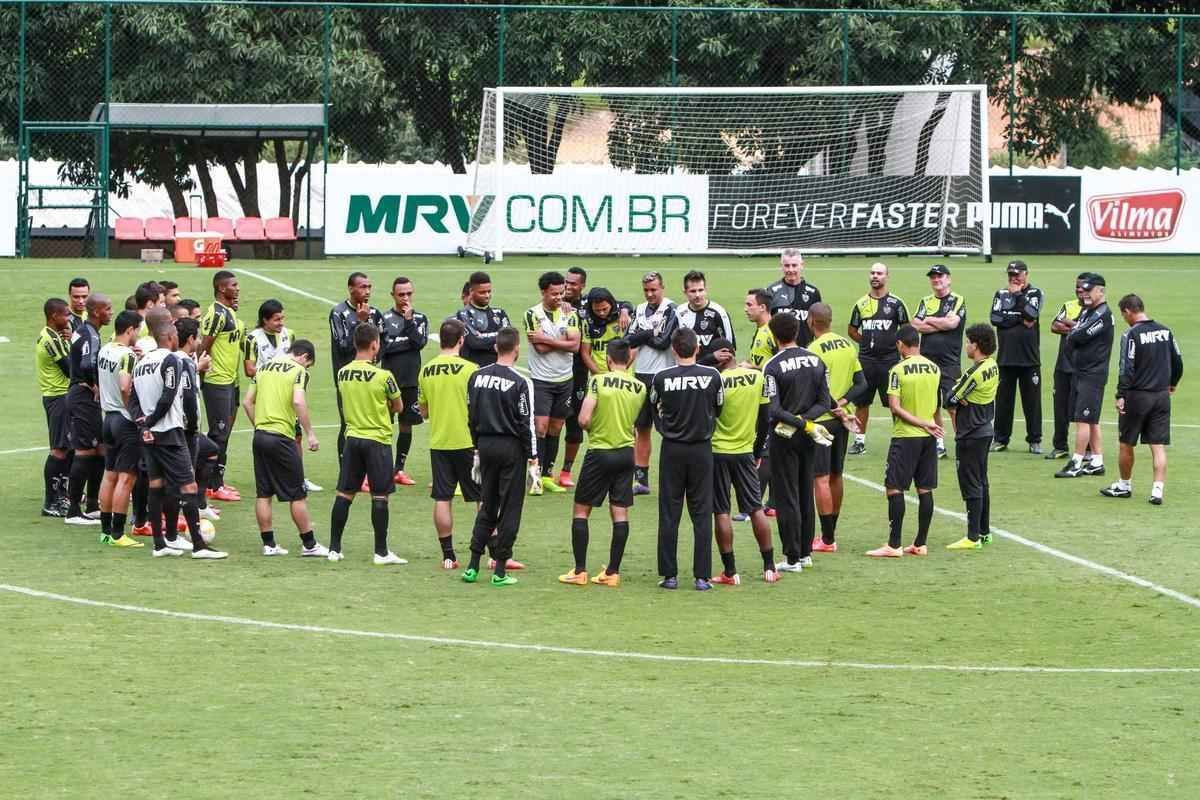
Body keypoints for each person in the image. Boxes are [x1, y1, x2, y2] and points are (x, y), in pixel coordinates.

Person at [132, 316, 227, 559]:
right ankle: (199, 546)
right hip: (170, 432)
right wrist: (153, 422)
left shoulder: (141, 363)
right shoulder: (171, 360)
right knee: (188, 485)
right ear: (170, 337)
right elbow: (169, 396)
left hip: (149, 435)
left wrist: (142, 424)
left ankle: (160, 544)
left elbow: (133, 398)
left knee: (156, 485)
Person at [559, 339, 646, 587]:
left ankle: (580, 571)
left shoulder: (598, 381)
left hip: (599, 452)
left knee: (581, 511)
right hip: (626, 454)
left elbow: (583, 419)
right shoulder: (639, 387)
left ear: (608, 359)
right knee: (620, 512)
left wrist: (595, 428)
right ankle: (612, 572)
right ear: (628, 359)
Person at [463, 327, 538, 587]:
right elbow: (526, 423)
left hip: (485, 445)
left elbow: (471, 415)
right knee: (510, 508)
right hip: (510, 448)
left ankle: (472, 565)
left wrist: (476, 447)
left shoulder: (476, 377)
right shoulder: (521, 382)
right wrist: (534, 457)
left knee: (487, 504)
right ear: (517, 349)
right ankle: (500, 570)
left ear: (496, 347)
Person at [650, 328, 723, 590]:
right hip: (702, 449)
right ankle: (702, 577)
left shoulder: (662, 377)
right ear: (697, 348)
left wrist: (664, 428)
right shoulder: (712, 375)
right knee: (702, 513)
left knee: (669, 512)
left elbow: (652, 406)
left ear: (673, 349)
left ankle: (669, 575)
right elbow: (719, 407)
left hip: (672, 449)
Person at [327, 324, 406, 565]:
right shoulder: (384, 376)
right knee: (380, 496)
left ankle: (334, 548)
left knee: (344, 494)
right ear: (374, 345)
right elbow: (398, 406)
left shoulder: (343, 373)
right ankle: (381, 552)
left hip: (352, 439)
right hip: (377, 441)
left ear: (354, 344)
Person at [242, 339, 329, 557]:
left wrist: (259, 425)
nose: (307, 368)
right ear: (305, 357)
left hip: (260, 436)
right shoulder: (298, 371)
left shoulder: (263, 368)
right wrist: (310, 434)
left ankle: (269, 545)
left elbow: (247, 402)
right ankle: (309, 545)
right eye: (308, 364)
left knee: (264, 493)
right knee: (297, 494)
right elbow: (298, 401)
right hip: (281, 438)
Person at [762, 313, 835, 572]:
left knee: (787, 496)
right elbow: (825, 403)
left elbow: (774, 409)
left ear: (774, 335)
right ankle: (805, 553)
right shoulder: (816, 360)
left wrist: (797, 423)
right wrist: (806, 422)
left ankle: (792, 558)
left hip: (784, 437)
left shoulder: (772, 365)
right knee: (805, 492)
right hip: (809, 435)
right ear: (797, 331)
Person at [707, 337, 779, 584]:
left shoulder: (715, 381)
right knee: (756, 508)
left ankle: (730, 572)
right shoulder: (757, 378)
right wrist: (757, 452)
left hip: (718, 452)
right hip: (745, 452)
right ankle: (769, 567)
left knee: (722, 511)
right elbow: (766, 418)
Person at [866, 324, 942, 558]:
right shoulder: (934, 368)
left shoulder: (897, 370)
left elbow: (895, 407)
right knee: (925, 489)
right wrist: (934, 426)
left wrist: (921, 423)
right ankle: (920, 543)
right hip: (929, 438)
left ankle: (894, 544)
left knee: (894, 488)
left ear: (900, 344)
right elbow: (937, 404)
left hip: (906, 437)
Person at [1101, 294, 1184, 505]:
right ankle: (1157, 491)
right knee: (1158, 445)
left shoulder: (1131, 334)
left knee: (1126, 443)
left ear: (1128, 311)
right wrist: (1173, 382)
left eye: (1123, 315)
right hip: (1161, 396)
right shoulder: (1165, 331)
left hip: (1137, 397)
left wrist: (1121, 395)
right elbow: (1178, 361)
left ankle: (1124, 485)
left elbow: (1126, 367)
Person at [418, 319, 482, 569]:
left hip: (440, 442)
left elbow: (423, 411)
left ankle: (448, 556)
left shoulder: (426, 370)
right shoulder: (472, 369)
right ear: (461, 340)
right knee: (483, 498)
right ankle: (492, 554)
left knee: (443, 497)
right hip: (468, 442)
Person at [807, 303, 865, 553]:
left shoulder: (813, 350)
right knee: (836, 474)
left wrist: (831, 406)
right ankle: (830, 532)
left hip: (821, 421)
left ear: (811, 321)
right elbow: (861, 383)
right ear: (830, 321)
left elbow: (815, 388)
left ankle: (828, 538)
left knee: (820, 477)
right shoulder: (847, 345)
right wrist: (841, 404)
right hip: (842, 420)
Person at [523, 271, 580, 495]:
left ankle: (547, 475)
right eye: (554, 293)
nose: (559, 297)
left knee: (556, 428)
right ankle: (534, 477)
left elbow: (575, 347)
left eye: (561, 293)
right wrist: (562, 341)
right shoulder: (532, 314)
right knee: (540, 428)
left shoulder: (570, 313)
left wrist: (547, 338)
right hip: (541, 380)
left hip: (565, 379)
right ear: (543, 292)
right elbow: (540, 349)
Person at [944, 324, 1000, 550]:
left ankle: (972, 537)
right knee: (982, 482)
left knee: (971, 484)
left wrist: (957, 394)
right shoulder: (992, 365)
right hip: (985, 430)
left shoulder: (973, 373)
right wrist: (959, 395)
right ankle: (984, 533)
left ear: (976, 346)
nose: (965, 345)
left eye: (968, 342)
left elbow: (949, 399)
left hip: (970, 433)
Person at [625, 271, 679, 495]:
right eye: (646, 290)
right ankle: (641, 480)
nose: (649, 294)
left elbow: (663, 342)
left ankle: (673, 478)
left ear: (662, 288)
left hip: (663, 377)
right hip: (641, 376)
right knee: (642, 428)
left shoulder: (671, 309)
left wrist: (643, 335)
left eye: (653, 290)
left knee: (668, 430)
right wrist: (649, 334)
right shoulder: (639, 309)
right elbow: (628, 339)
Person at [1055, 273, 1114, 479]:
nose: (1085, 294)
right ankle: (1097, 462)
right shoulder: (1089, 311)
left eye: (1089, 290)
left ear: (1101, 291)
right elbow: (1076, 333)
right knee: (1091, 420)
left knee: (1082, 419)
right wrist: (1075, 333)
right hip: (1082, 371)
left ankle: (1076, 462)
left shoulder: (1102, 314)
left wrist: (1073, 332)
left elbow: (1078, 335)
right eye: (1083, 290)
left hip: (1092, 374)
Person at [847, 262, 909, 455]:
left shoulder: (897, 304)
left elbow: (906, 330)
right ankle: (859, 442)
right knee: (862, 402)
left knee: (893, 403)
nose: (875, 276)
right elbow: (852, 330)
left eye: (879, 273)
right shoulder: (861, 304)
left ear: (887, 276)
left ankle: (900, 439)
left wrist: (896, 347)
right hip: (866, 360)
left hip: (890, 361)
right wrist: (866, 341)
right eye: (872, 273)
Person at [95, 309, 145, 547]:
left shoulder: (105, 349)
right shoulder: (127, 355)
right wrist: (135, 414)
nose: (139, 335)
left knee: (109, 476)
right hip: (125, 421)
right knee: (126, 479)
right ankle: (118, 534)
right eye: (138, 330)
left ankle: (105, 532)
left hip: (108, 419)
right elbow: (125, 386)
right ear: (130, 329)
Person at [197, 270, 246, 500]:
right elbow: (204, 346)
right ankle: (211, 485)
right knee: (218, 434)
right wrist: (199, 374)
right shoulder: (216, 314)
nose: (237, 288)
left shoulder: (230, 312)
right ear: (221, 288)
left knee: (224, 434)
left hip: (231, 381)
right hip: (216, 382)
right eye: (233, 285)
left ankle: (217, 481)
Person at [65, 293, 113, 526]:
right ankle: (73, 510)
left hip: (83, 396)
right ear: (96, 312)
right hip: (83, 396)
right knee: (84, 451)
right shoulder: (90, 334)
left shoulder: (85, 331)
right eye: (108, 309)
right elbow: (86, 364)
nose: (111, 313)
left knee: (100, 449)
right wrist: (94, 384)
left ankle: (93, 505)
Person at [989, 259, 1045, 454]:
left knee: (1032, 403)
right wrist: (1019, 318)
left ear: (1026, 274)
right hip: (1005, 357)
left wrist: (1018, 296)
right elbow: (995, 318)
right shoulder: (1000, 293)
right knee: (1003, 401)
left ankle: (1035, 440)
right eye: (1011, 275)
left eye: (1017, 274)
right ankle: (1000, 439)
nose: (1014, 278)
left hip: (1029, 358)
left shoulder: (1035, 293)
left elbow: (1031, 314)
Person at [911, 264, 966, 458]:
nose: (936, 280)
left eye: (940, 276)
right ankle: (939, 443)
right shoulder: (925, 301)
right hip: (927, 362)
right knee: (931, 405)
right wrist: (940, 322)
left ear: (948, 279)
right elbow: (916, 324)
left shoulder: (957, 300)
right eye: (933, 277)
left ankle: (962, 442)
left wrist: (929, 320)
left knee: (953, 405)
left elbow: (953, 323)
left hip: (950, 361)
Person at [330, 271, 384, 463]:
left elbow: (383, 342)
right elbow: (343, 345)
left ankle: (366, 468)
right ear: (351, 288)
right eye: (363, 287)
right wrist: (359, 322)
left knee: (369, 423)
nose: (367, 291)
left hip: (370, 378)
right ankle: (345, 469)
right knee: (348, 423)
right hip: (348, 379)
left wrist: (377, 362)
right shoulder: (338, 313)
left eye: (369, 287)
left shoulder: (375, 313)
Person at [380, 276, 429, 486]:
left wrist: (409, 323)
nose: (405, 298)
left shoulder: (420, 318)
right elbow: (383, 348)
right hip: (388, 381)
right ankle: (381, 468)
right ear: (393, 295)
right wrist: (405, 342)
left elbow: (419, 343)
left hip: (410, 381)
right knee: (383, 425)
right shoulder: (383, 319)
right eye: (401, 294)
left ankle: (398, 469)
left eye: (409, 293)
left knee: (406, 425)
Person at [36, 298, 73, 517]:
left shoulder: (56, 335)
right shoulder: (51, 339)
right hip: (58, 397)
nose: (69, 318)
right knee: (59, 449)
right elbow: (69, 369)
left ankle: (61, 496)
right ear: (54, 316)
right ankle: (50, 502)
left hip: (61, 396)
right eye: (65, 314)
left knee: (67, 447)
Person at [1047, 275, 1089, 460]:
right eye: (1077, 287)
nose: (1079, 290)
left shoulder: (1094, 310)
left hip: (1082, 368)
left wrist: (1070, 325)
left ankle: (1087, 450)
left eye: (1082, 287)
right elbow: (1054, 325)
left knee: (1083, 409)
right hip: (1063, 365)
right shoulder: (1069, 305)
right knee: (1060, 408)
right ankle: (1060, 446)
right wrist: (1077, 329)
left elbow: (1088, 333)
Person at [678, 270, 736, 366]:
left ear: (706, 289)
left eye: (700, 290)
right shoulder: (679, 312)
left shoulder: (719, 312)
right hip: (688, 368)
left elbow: (730, 347)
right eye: (693, 291)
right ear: (685, 292)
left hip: (714, 369)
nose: (697, 295)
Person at [767, 248, 821, 347]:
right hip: (779, 350)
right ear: (781, 266)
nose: (791, 270)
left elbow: (818, 326)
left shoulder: (813, 293)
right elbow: (766, 324)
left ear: (802, 265)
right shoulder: (772, 291)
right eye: (787, 266)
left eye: (794, 265)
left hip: (805, 350)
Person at [456, 271, 511, 367]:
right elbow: (474, 342)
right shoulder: (464, 314)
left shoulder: (500, 313)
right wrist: (499, 336)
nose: (487, 296)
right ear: (471, 292)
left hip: (497, 370)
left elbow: (509, 340)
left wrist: (482, 337)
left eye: (489, 291)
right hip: (475, 370)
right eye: (482, 292)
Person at [744, 288, 777, 370]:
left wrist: (752, 368)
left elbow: (782, 365)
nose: (745, 309)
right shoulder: (761, 329)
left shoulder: (773, 331)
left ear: (762, 307)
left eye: (749, 305)